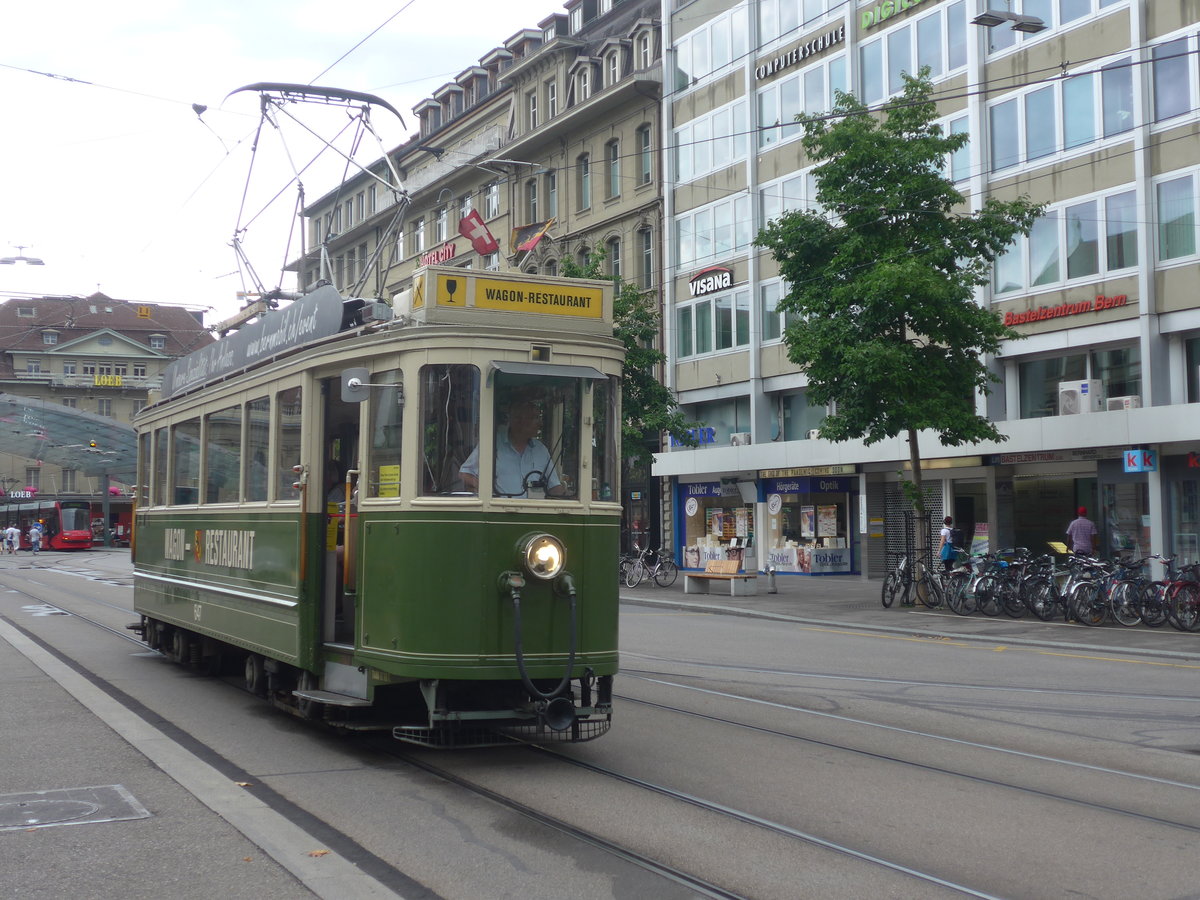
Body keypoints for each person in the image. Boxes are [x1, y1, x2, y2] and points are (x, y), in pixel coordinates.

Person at [460, 399, 563, 498]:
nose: (540, 423)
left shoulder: (540, 449)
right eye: (535, 418)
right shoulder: (493, 444)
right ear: (518, 421)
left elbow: (554, 487)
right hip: (500, 511)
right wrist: (487, 491)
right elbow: (465, 473)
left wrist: (571, 497)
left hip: (534, 512)